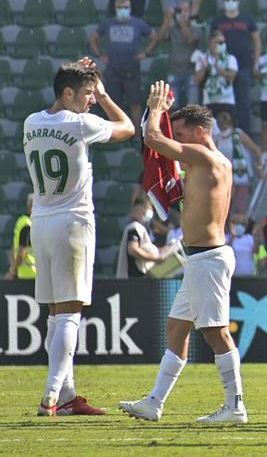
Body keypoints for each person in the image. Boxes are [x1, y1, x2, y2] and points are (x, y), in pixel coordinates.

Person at [120, 90, 246, 424]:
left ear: (201, 131)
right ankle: (154, 403)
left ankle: (235, 406)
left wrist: (155, 110)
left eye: (183, 134)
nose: (179, 141)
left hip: (209, 258)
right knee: (176, 331)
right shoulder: (204, 163)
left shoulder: (209, 159)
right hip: (198, 258)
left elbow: (154, 139)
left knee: (216, 332)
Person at [25, 60, 133, 417]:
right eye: (86, 93)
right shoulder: (81, 123)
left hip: (40, 220)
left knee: (56, 313)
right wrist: (105, 95)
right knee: (71, 312)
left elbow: (64, 93)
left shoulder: (31, 122)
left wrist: (79, 76)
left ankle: (68, 395)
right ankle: (52, 395)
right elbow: (128, 128)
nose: (90, 100)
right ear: (68, 93)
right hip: (73, 223)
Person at [90, 0, 156, 126]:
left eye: (126, 7)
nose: (123, 10)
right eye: (120, 7)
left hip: (132, 68)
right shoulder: (108, 23)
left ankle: (137, 136)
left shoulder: (138, 23)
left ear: (130, 8)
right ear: (115, 9)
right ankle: (117, 135)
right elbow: (93, 37)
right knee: (113, 103)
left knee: (135, 103)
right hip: (113, 68)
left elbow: (154, 37)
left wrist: (146, 53)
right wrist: (100, 54)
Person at [210, 0, 261, 132]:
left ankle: (244, 136)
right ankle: (223, 134)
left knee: (244, 103)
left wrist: (255, 63)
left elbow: (256, 41)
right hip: (223, 67)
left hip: (244, 66)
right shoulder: (218, 21)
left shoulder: (247, 19)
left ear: (238, 2)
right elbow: (212, 42)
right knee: (223, 104)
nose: (230, 2)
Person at [213, 111, 263, 215]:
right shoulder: (217, 139)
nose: (223, 127)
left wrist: (259, 168)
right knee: (226, 207)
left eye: (225, 124)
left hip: (241, 175)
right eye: (221, 125)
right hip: (225, 177)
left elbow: (256, 149)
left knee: (241, 207)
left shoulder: (238, 134)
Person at [156, 0, 204, 107]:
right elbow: (160, 37)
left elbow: (191, 39)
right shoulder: (172, 28)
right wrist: (167, 21)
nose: (183, 13)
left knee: (193, 106)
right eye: (180, 10)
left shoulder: (196, 27)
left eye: (186, 10)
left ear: (191, 11)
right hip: (173, 71)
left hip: (191, 72)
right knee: (172, 105)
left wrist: (182, 24)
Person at [194, 31, 238, 120]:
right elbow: (197, 80)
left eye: (223, 42)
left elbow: (231, 77)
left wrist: (217, 66)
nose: (221, 45)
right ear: (210, 43)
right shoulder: (203, 58)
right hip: (209, 101)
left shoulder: (230, 58)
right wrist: (205, 66)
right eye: (218, 42)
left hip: (227, 101)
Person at [117, 197, 166, 278]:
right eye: (146, 207)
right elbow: (132, 250)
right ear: (137, 208)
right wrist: (155, 258)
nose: (149, 211)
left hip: (139, 279)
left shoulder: (141, 228)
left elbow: (143, 248)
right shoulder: (134, 227)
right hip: (131, 280)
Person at [6, 195, 35, 281]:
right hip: (29, 276)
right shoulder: (28, 225)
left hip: (24, 274)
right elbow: (22, 251)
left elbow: (13, 249)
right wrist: (13, 272)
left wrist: (13, 269)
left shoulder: (22, 221)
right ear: (30, 207)